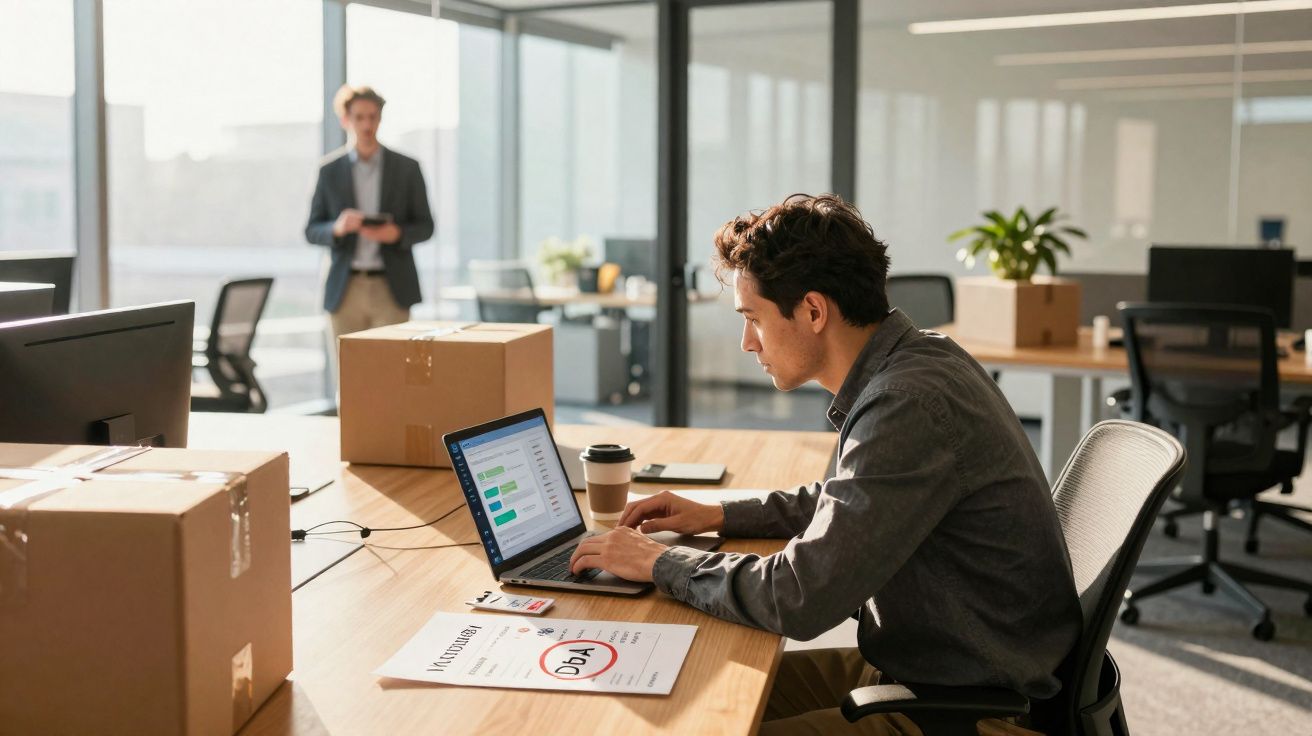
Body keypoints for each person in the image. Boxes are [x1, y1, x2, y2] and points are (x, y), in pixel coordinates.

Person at [568, 194, 1082, 735]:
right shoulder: (921, 360)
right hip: (929, 669)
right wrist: (717, 516)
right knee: (691, 695)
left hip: (965, 710)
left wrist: (657, 563)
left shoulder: (907, 402)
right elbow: (850, 500)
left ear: (813, 311)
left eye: (754, 319)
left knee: (698, 713)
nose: (747, 343)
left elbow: (798, 596)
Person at [305, 84, 434, 339]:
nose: (366, 125)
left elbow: (426, 226)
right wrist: (337, 228)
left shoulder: (407, 168)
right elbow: (312, 230)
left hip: (392, 287)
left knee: (392, 374)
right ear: (345, 120)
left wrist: (396, 234)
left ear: (381, 118)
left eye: (372, 117)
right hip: (345, 290)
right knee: (348, 375)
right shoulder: (328, 171)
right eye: (359, 117)